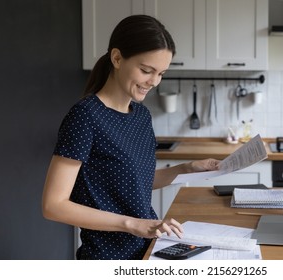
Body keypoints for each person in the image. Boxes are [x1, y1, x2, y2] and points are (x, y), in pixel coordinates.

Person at [42, 14, 220, 260]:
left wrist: (187, 168)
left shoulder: (141, 115)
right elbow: (54, 205)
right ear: (117, 58)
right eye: (147, 70)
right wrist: (133, 224)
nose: (154, 81)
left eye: (161, 73)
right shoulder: (85, 116)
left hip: (147, 250)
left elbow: (132, 183)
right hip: (107, 257)